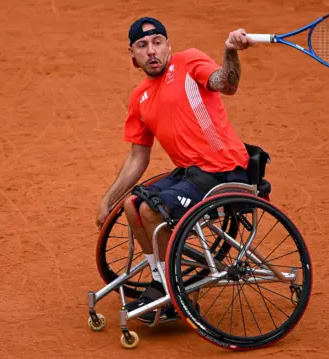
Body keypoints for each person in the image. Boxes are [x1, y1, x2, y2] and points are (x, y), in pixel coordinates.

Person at [95, 17, 254, 323]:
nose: (151, 51)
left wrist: (230, 51)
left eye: (157, 42)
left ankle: (178, 292)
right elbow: (137, 158)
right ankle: (164, 282)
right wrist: (108, 199)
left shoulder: (188, 62)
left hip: (223, 171)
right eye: (142, 46)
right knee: (131, 206)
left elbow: (226, 83)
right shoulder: (139, 98)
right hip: (191, 174)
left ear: (169, 46)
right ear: (132, 55)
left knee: (153, 212)